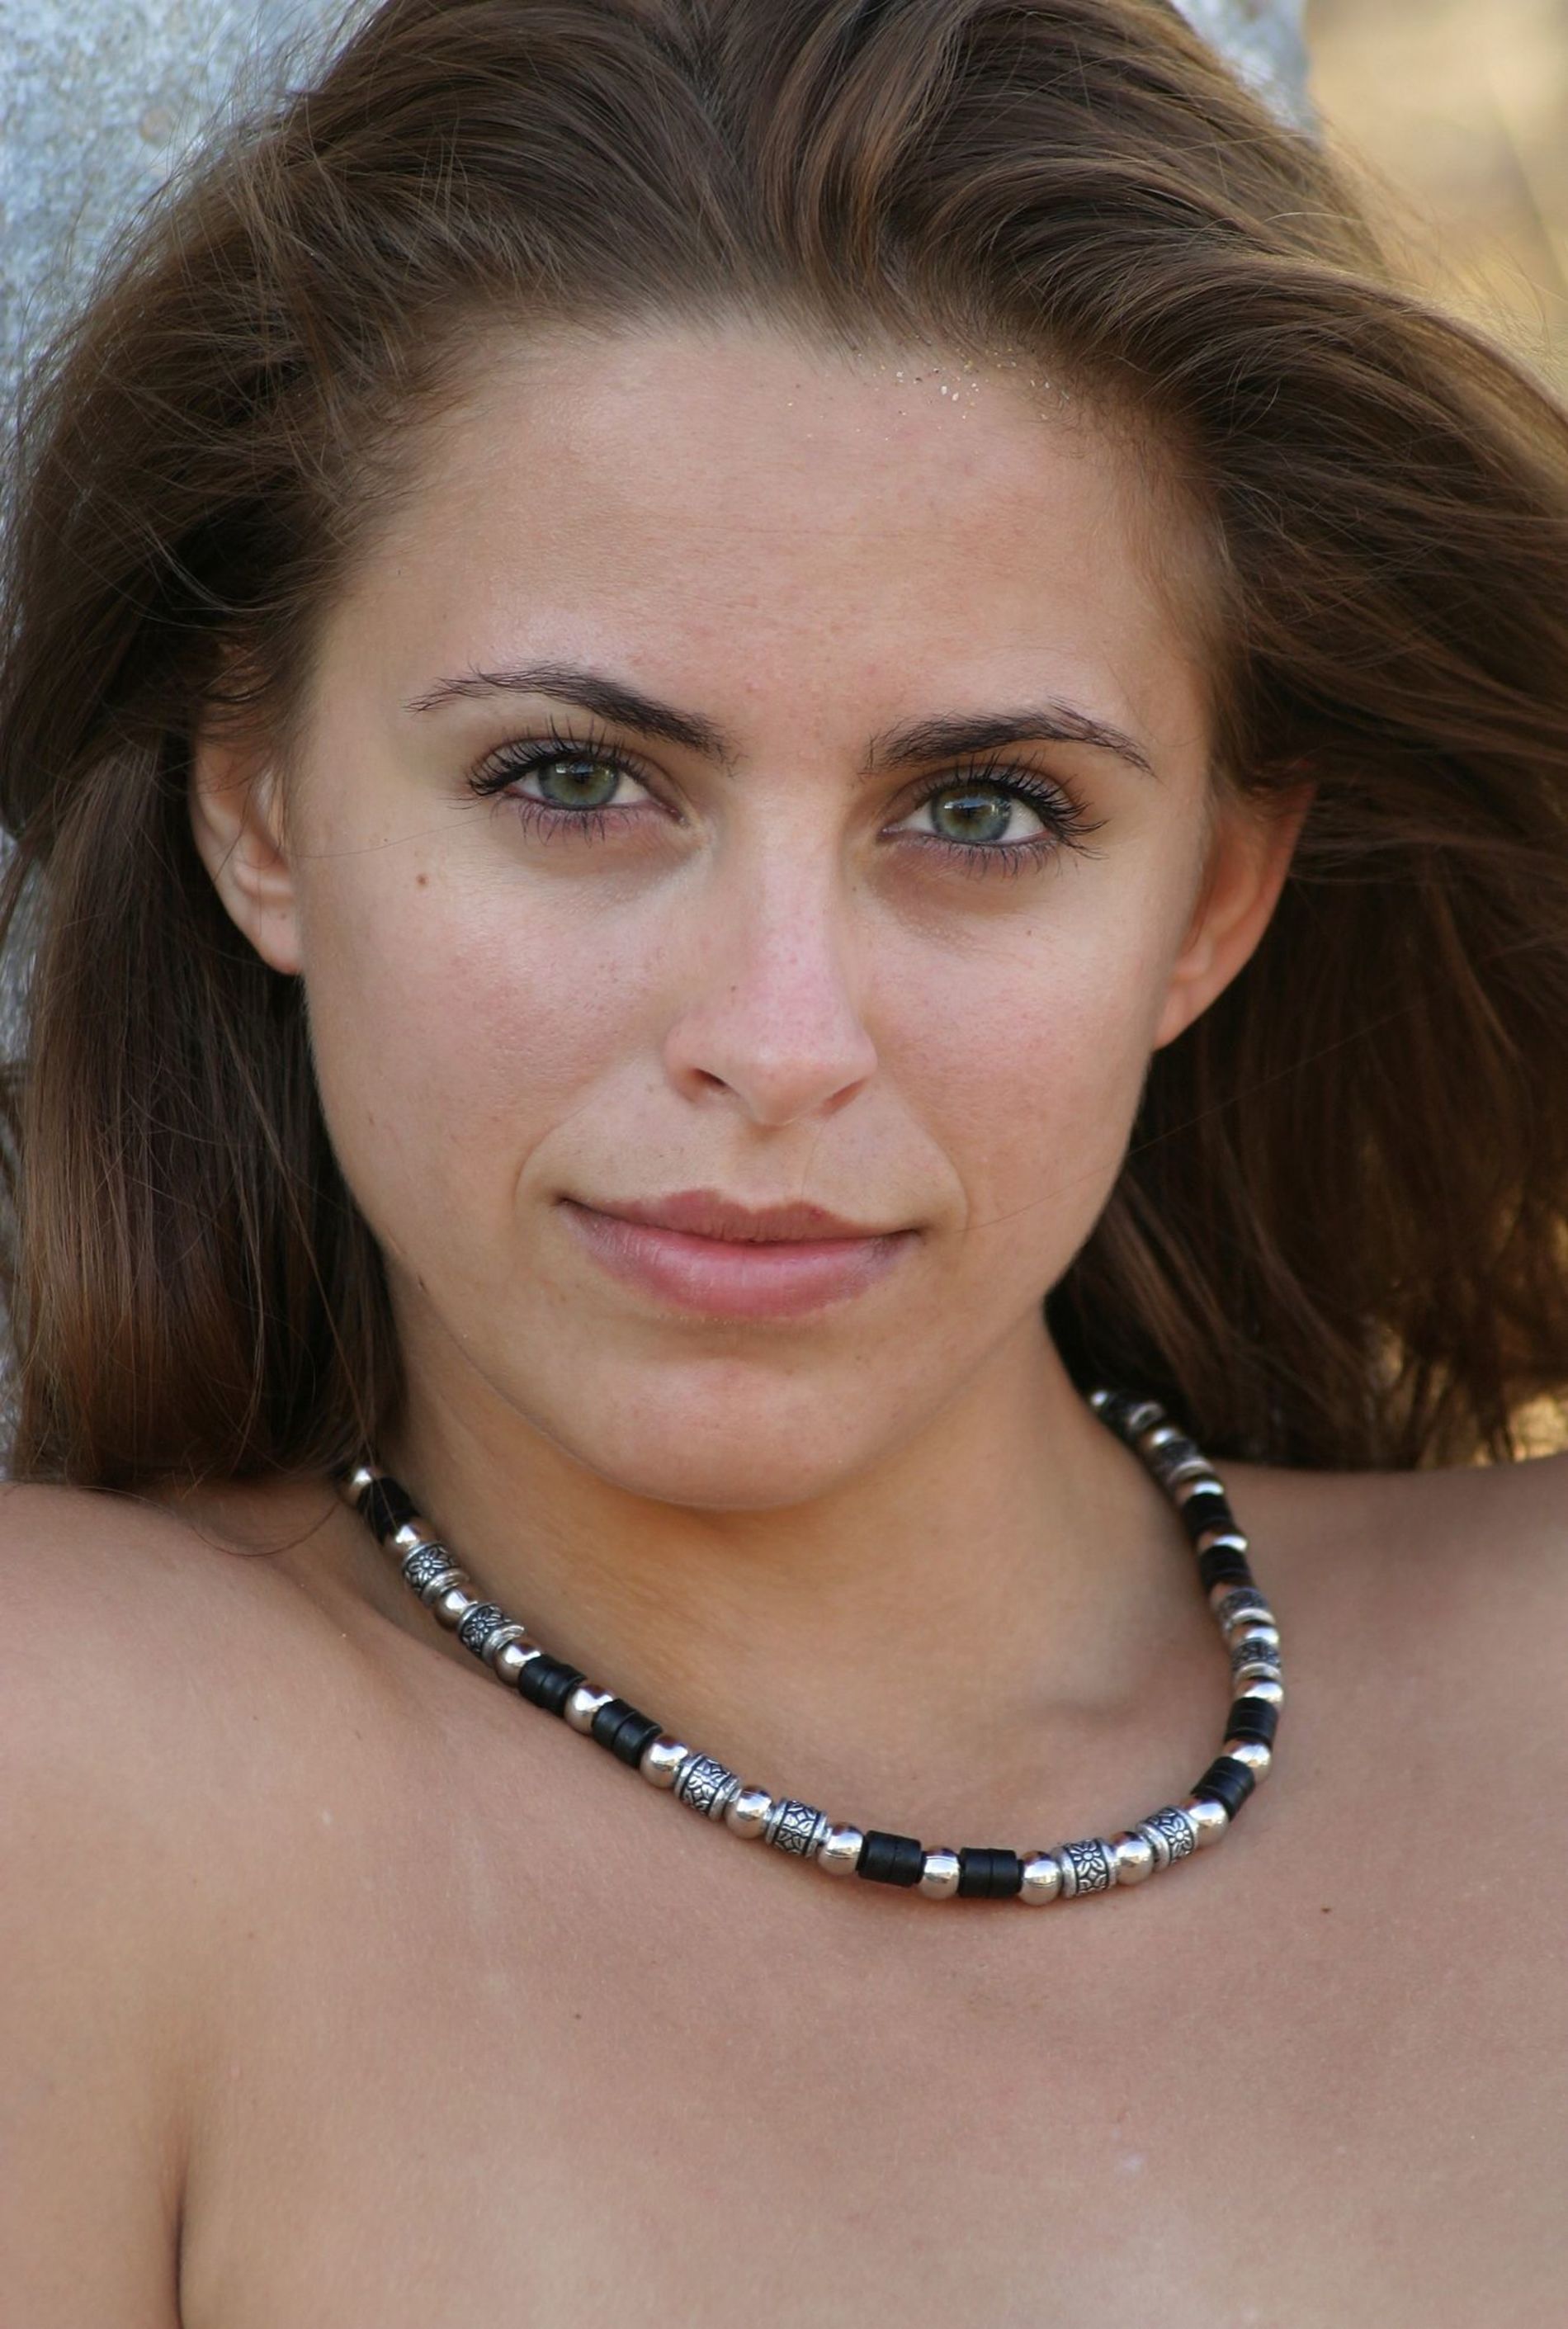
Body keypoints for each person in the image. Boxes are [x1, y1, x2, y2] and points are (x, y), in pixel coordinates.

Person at [2, 0, 1565, 2318]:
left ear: (1214, 902)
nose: (775, 1041)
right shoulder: (72, 1773)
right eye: (571, 781)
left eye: (983, 812)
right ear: (261, 809)